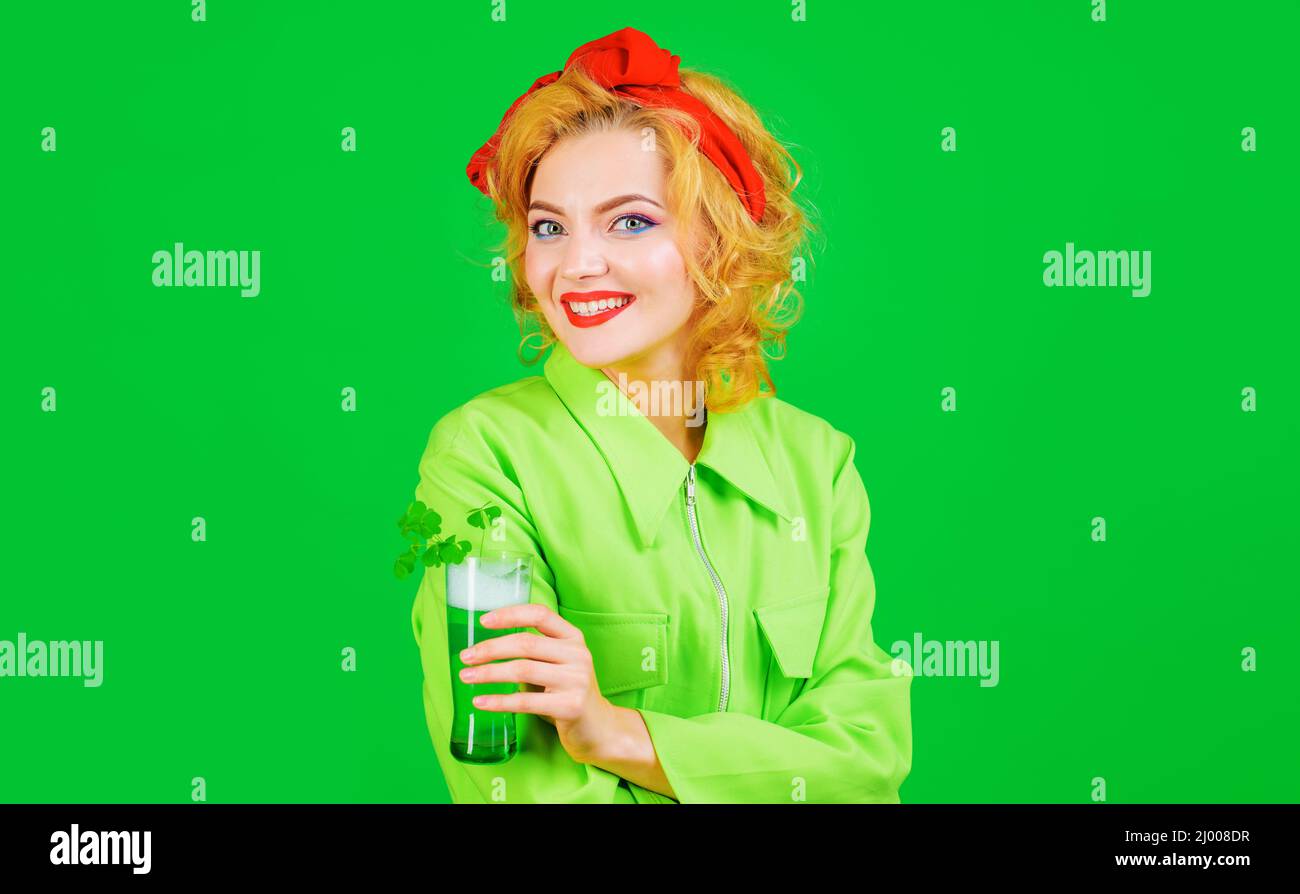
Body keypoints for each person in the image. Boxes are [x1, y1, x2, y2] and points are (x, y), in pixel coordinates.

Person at [410, 25, 913, 803]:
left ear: (722, 242)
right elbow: (514, 780)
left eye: (631, 221)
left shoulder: (819, 464)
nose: (576, 264)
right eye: (549, 227)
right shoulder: (485, 456)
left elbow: (866, 763)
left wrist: (616, 735)